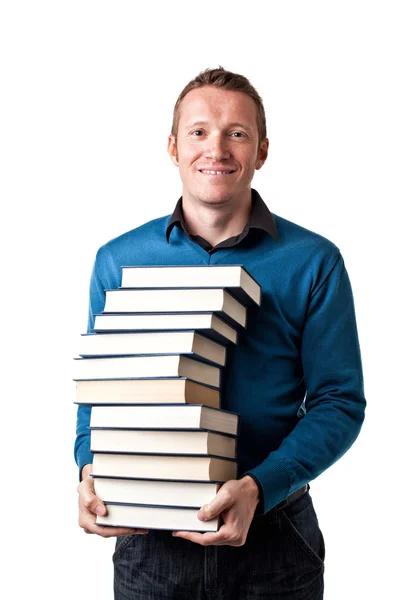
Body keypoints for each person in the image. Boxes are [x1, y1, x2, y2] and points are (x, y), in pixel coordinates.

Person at [75, 67, 366, 599]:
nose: (217, 148)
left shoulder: (314, 262)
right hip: (150, 543)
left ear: (261, 151)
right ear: (172, 146)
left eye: (237, 133)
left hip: (275, 539)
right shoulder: (117, 261)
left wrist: (260, 487)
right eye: (199, 131)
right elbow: (102, 394)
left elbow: (339, 401)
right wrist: (88, 469)